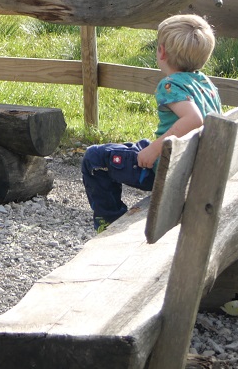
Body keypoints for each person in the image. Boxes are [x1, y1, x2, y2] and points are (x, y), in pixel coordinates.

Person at [81, 14, 221, 230]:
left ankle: (109, 221)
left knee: (94, 158)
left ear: (162, 51)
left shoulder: (170, 85)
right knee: (131, 148)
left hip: (168, 169)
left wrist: (155, 149)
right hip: (190, 163)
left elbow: (193, 119)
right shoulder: (205, 84)